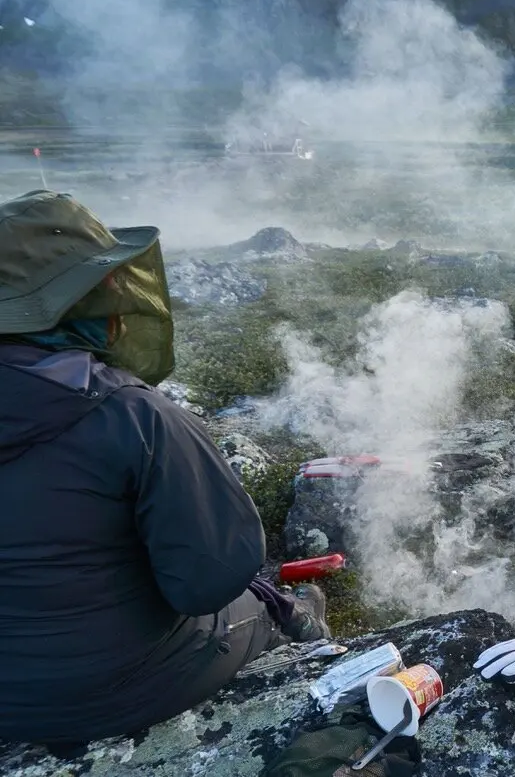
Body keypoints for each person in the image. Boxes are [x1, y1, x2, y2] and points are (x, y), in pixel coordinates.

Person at [0, 190, 331, 745]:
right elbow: (210, 580)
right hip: (117, 688)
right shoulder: (133, 416)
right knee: (259, 606)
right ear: (79, 302)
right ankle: (307, 628)